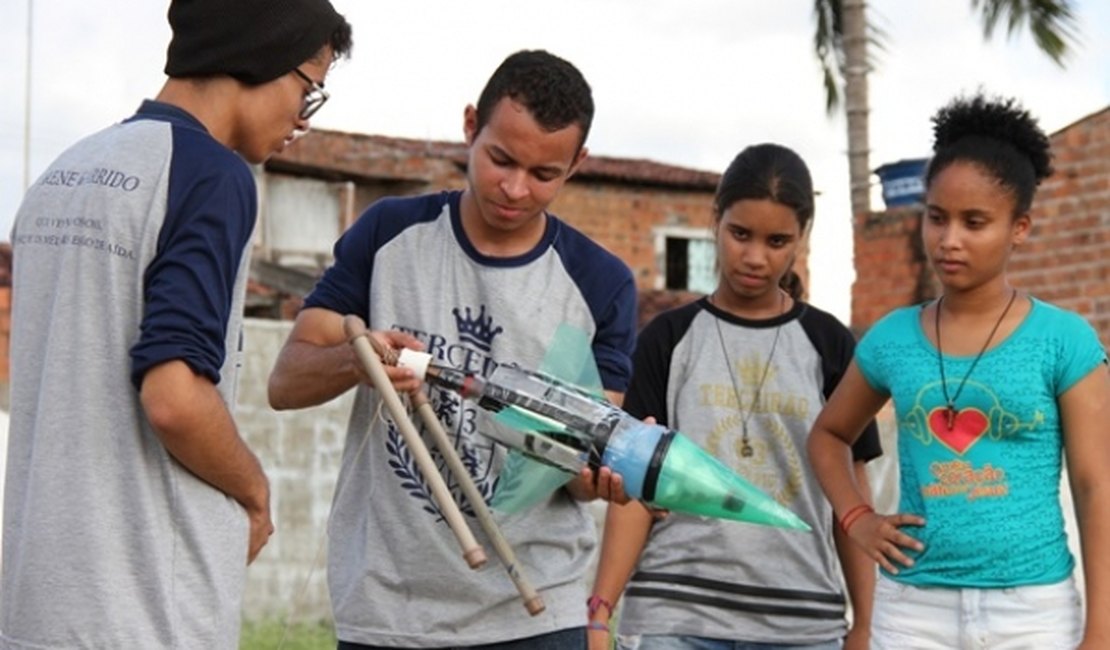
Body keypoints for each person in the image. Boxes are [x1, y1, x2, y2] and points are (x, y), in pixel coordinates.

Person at [0, 2, 352, 648]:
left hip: (34, 606)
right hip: (144, 615)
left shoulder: (60, 177)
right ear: (261, 52)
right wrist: (254, 490)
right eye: (310, 87)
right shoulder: (212, 176)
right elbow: (173, 398)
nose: (303, 119)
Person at [267, 49, 638, 649]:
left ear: (577, 164)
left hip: (538, 615)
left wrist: (609, 473)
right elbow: (285, 382)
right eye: (501, 159)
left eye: (544, 174)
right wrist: (361, 360)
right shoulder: (389, 233)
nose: (516, 189)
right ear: (471, 126)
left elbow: (573, 468)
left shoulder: (600, 283)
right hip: (390, 612)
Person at [807, 93, 1110, 649]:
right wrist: (858, 517)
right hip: (913, 611)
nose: (950, 240)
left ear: (1019, 227)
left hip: (1034, 614)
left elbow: (1096, 486)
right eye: (937, 217)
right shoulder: (893, 339)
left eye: (975, 222)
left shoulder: (1064, 342)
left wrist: (1102, 629)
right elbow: (828, 435)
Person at [589, 143, 881, 650]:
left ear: (801, 239)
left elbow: (851, 496)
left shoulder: (830, 345)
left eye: (776, 241)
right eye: (740, 234)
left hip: (802, 625)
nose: (754, 257)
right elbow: (637, 485)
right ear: (716, 221)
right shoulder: (668, 338)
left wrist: (864, 625)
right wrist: (599, 612)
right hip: (675, 615)